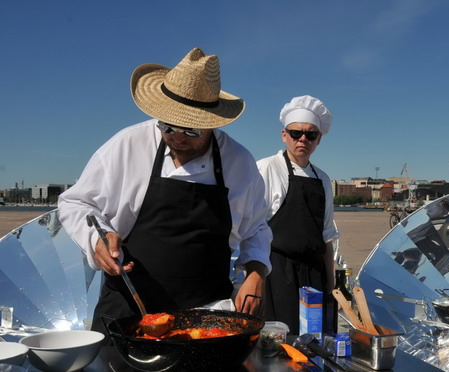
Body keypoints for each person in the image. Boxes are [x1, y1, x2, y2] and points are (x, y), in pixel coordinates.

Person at [58, 48, 271, 336]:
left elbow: (256, 226)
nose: (178, 137)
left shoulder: (239, 162)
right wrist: (96, 241)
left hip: (206, 317)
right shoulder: (127, 145)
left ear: (213, 123)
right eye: (167, 126)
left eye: (191, 130)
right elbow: (76, 203)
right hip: (128, 309)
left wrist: (256, 272)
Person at [257, 95, 339, 335]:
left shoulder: (322, 178)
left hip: (314, 274)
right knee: (280, 340)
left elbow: (326, 236)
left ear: (318, 139)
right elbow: (252, 230)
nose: (303, 139)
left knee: (314, 338)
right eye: (296, 133)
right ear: (285, 135)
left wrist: (330, 284)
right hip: (276, 273)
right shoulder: (266, 168)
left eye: (310, 134)